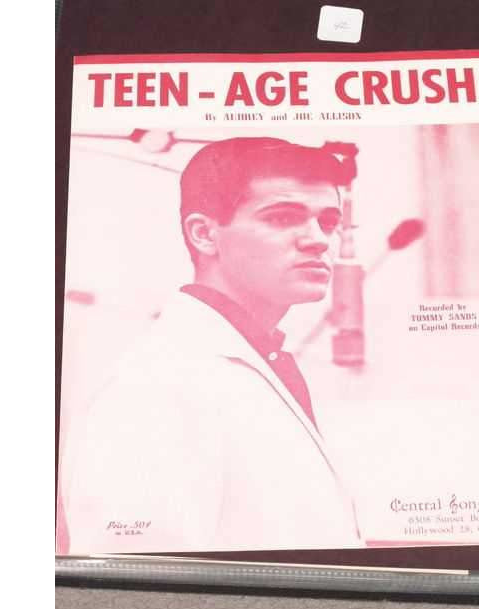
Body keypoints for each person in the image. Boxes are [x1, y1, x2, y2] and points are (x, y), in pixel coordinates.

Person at [61, 137, 362, 554]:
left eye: (327, 222)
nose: (318, 240)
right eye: (282, 217)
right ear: (204, 235)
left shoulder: (243, 364)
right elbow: (141, 579)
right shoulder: (159, 383)